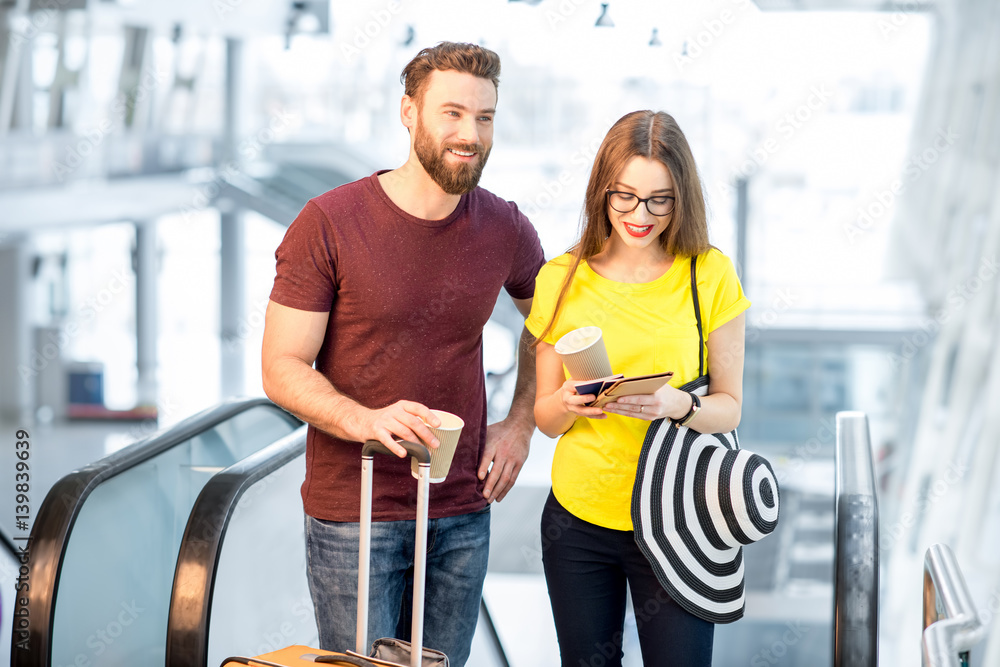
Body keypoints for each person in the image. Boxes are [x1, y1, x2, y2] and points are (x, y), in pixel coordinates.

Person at [260, 42, 544, 666]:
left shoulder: (507, 228)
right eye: (452, 113)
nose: (470, 134)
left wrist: (520, 423)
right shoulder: (328, 222)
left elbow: (549, 326)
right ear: (409, 113)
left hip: (463, 508)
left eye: (485, 117)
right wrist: (364, 420)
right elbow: (280, 367)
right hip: (355, 514)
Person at [527, 110, 750, 667]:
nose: (639, 214)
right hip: (579, 519)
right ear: (602, 190)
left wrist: (678, 404)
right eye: (624, 195)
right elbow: (545, 419)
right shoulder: (562, 277)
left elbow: (729, 409)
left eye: (660, 199)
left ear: (682, 200)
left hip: (678, 518)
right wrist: (567, 403)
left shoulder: (709, 274)